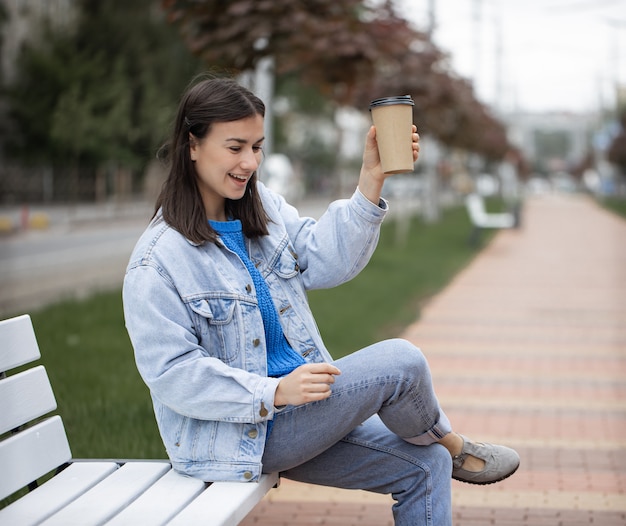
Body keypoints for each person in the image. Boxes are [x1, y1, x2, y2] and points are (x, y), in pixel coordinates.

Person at [122, 75, 519, 526]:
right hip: (241, 434)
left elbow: (325, 260)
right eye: (235, 147)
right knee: (401, 361)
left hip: (302, 415)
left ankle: (442, 449)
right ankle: (452, 441)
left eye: (257, 147)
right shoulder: (158, 261)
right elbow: (173, 375)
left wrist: (372, 179)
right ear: (192, 144)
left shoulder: (262, 209)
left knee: (425, 465)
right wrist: (273, 391)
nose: (249, 162)